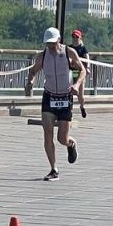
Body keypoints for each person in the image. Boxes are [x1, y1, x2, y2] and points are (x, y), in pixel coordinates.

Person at [26, 27, 85, 181]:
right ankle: (53, 169)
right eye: (48, 44)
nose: (50, 46)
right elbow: (33, 71)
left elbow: (82, 70)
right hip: (49, 96)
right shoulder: (43, 56)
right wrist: (30, 82)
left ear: (59, 40)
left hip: (65, 97)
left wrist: (77, 85)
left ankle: (71, 144)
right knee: (47, 133)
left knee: (61, 139)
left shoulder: (69, 53)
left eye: (52, 43)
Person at [70, 29, 90, 119]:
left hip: (81, 72)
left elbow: (87, 58)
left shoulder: (83, 48)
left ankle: (82, 107)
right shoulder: (69, 48)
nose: (75, 38)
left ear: (80, 37)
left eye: (76, 37)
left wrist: (88, 67)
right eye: (73, 37)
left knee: (80, 94)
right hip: (71, 71)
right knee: (69, 91)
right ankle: (69, 110)